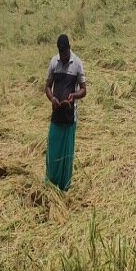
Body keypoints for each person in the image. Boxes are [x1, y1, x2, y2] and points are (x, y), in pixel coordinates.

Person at [44, 34, 87, 191]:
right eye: (60, 54)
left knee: (66, 154)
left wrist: (73, 96)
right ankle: (50, 182)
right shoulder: (54, 62)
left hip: (69, 117)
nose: (62, 57)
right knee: (53, 150)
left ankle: (64, 186)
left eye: (65, 54)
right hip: (56, 114)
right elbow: (48, 86)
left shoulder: (77, 63)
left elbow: (84, 90)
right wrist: (53, 98)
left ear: (69, 48)